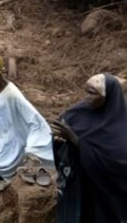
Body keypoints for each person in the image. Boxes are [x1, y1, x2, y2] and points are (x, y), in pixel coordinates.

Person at [0, 51, 53, 195]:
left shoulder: (11, 94)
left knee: (4, 159)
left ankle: (4, 176)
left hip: (9, 143)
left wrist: (33, 147)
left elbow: (35, 120)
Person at [51, 74, 127, 222]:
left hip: (102, 196)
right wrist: (59, 138)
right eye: (86, 91)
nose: (86, 97)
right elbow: (63, 125)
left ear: (108, 97)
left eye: (93, 93)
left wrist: (75, 140)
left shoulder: (120, 128)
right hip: (78, 187)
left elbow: (117, 165)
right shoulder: (81, 111)